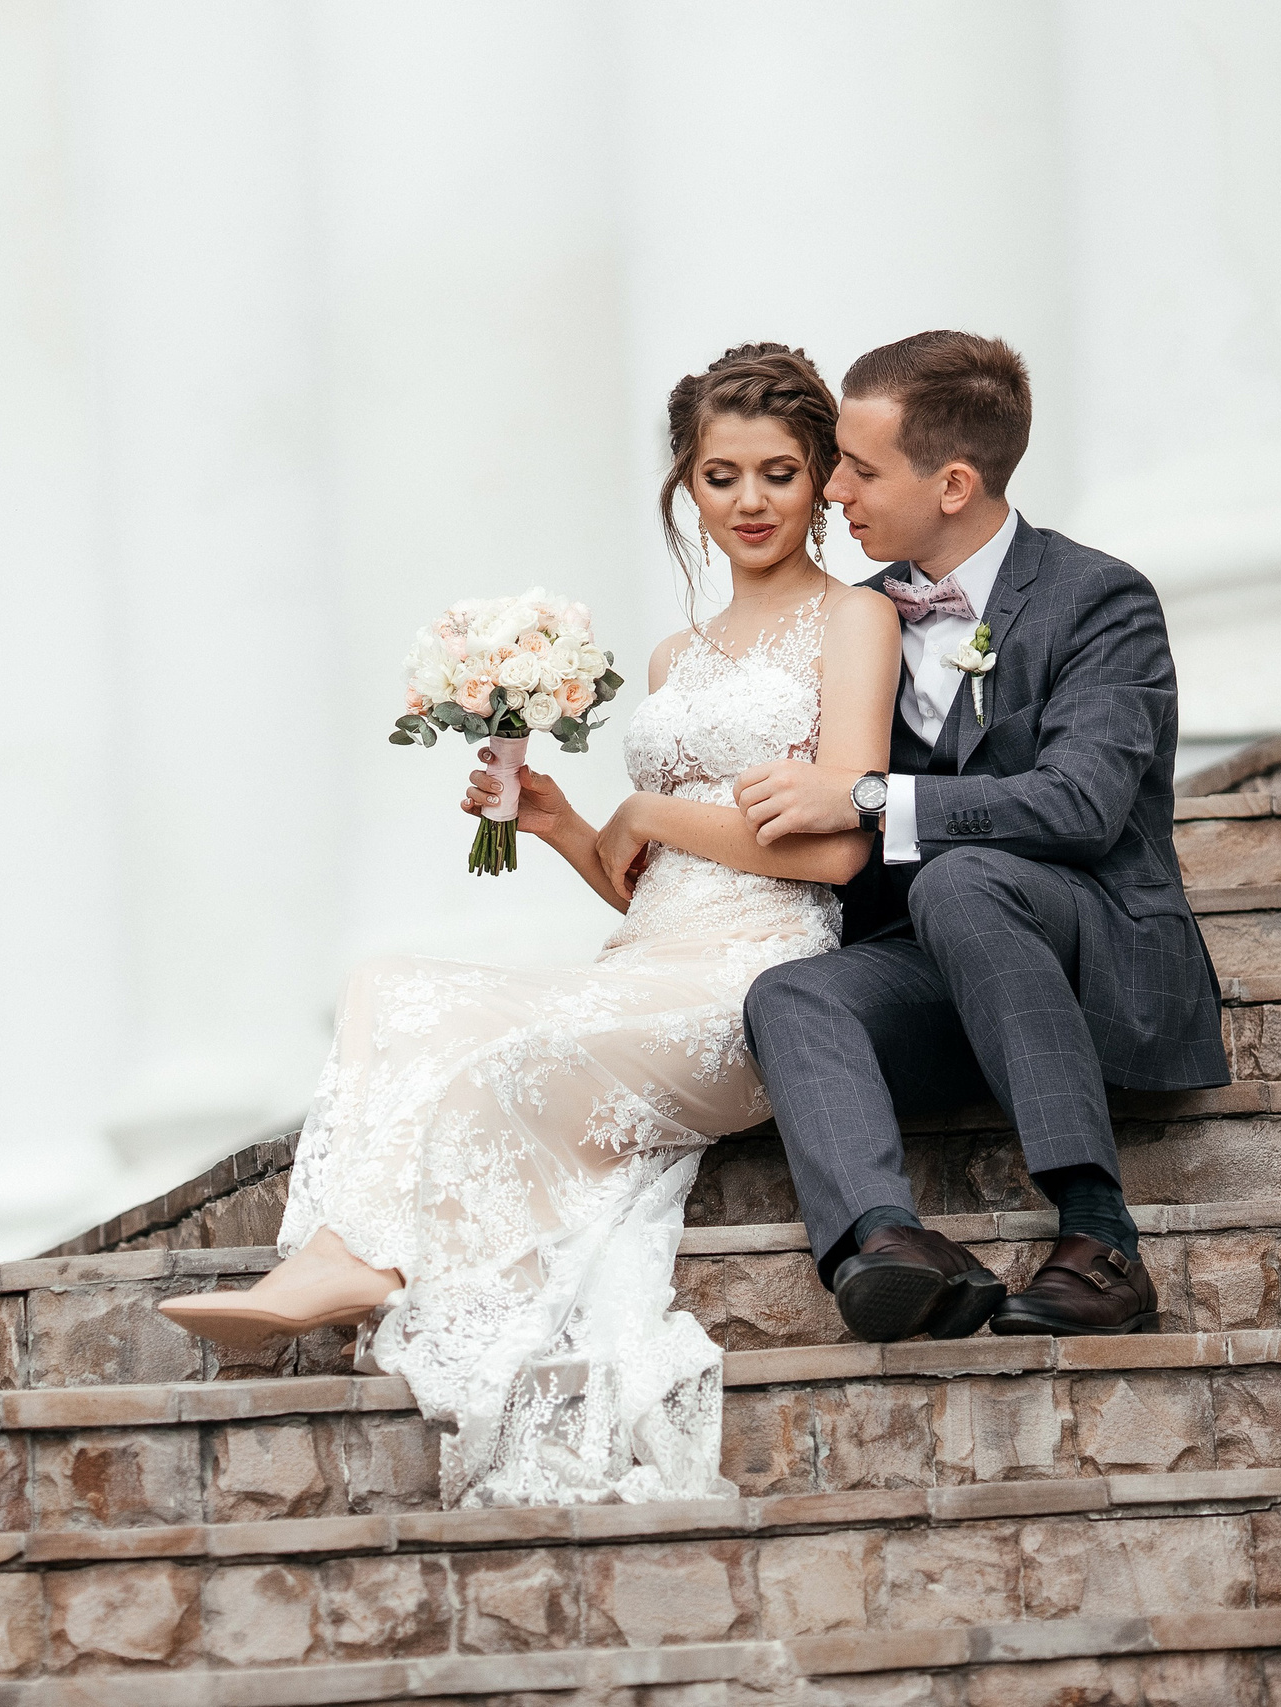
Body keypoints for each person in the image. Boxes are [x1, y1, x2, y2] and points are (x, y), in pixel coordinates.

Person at [158, 345, 903, 1507]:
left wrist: (653, 805)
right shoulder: (676, 656)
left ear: (817, 483)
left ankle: (359, 1257)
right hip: (649, 952)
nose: (748, 502)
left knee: (491, 1053)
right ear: (684, 486)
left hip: (761, 976)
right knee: (387, 986)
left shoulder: (853, 620)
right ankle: (338, 1255)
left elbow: (844, 842)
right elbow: (643, 878)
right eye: (720, 476)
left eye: (777, 474)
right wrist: (560, 824)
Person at [734, 330, 1229, 1344]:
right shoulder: (850, 620)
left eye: (859, 468)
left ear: (953, 482)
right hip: (931, 973)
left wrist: (874, 801)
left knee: (962, 884)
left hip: (1091, 963)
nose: (831, 491)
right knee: (787, 994)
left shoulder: (1099, 600)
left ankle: (1100, 1241)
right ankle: (885, 1246)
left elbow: (1079, 805)